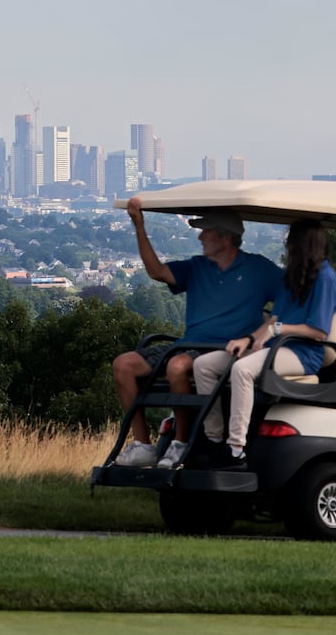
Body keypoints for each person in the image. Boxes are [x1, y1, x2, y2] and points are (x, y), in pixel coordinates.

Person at [109, 197, 282, 467]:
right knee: (123, 365)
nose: (200, 237)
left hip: (223, 350)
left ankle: (181, 441)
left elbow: (298, 290)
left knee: (177, 366)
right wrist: (139, 226)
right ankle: (143, 444)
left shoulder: (258, 269)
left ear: (225, 238)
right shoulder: (197, 267)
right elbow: (157, 272)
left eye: (207, 231)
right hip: (187, 345)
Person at [187, 219, 336, 471]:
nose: (287, 245)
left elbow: (318, 332)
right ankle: (214, 440)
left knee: (242, 370)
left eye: (291, 241)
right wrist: (248, 339)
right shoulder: (296, 274)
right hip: (278, 347)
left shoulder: (325, 277)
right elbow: (275, 317)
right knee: (204, 365)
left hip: (303, 353)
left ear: (303, 244)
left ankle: (236, 449)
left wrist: (275, 330)